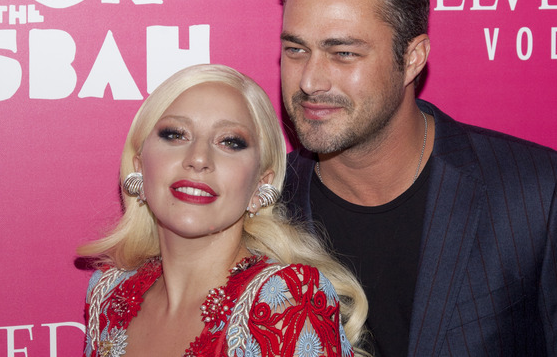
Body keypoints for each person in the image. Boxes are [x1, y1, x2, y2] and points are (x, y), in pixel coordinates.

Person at [279, 0, 557, 357]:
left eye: (343, 53)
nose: (309, 80)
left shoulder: (538, 199)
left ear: (412, 58)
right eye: (296, 50)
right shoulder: (262, 205)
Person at [78, 64, 369, 357]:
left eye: (230, 142)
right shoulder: (108, 293)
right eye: (176, 135)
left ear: (260, 184)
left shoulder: (284, 303)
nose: (199, 158)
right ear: (140, 165)